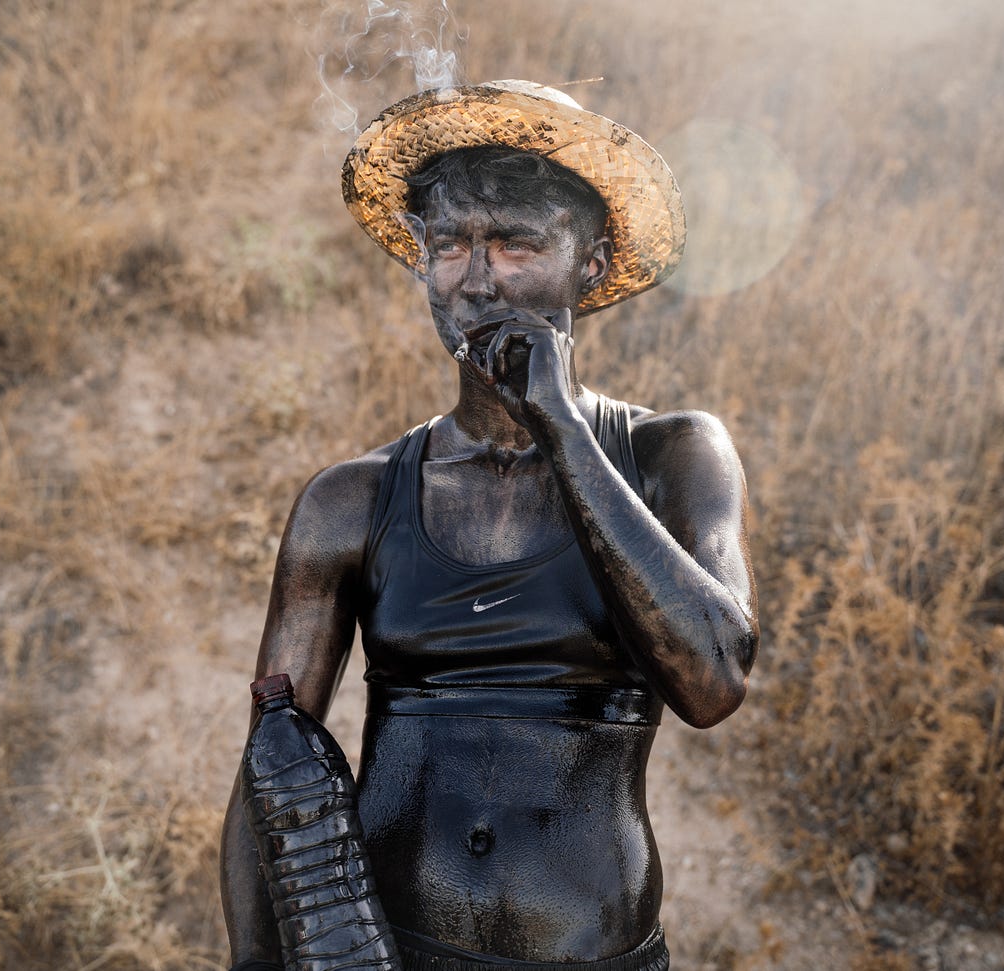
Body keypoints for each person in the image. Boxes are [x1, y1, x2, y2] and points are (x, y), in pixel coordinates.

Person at [221, 80, 758, 971]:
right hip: (397, 951)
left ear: (590, 263)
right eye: (449, 244)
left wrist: (560, 425)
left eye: (516, 242)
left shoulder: (671, 455)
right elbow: (268, 769)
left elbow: (713, 682)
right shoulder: (351, 500)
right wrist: (251, 963)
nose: (476, 279)